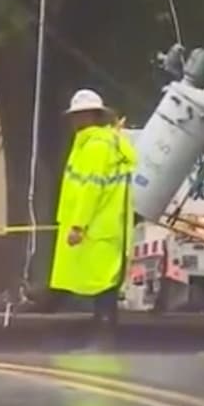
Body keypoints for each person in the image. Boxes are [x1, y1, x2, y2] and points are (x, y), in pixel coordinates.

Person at [49, 89, 137, 325]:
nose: (76, 121)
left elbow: (90, 189)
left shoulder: (95, 146)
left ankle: (103, 334)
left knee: (101, 283)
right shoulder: (107, 142)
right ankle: (103, 329)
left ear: (93, 117)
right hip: (107, 226)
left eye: (81, 115)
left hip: (95, 227)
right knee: (104, 281)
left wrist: (78, 224)